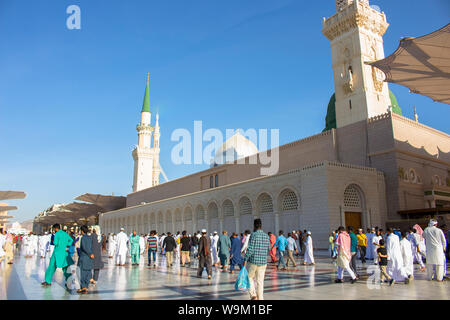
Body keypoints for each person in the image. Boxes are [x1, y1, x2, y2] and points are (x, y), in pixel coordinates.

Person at [244, 219, 271, 300]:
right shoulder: (266, 236)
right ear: (261, 226)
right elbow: (269, 248)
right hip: (263, 262)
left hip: (253, 261)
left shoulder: (253, 235)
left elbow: (250, 248)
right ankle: (261, 298)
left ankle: (253, 295)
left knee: (248, 277)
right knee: (260, 281)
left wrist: (245, 259)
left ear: (254, 226)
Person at [77, 225, 94, 294]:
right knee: (88, 272)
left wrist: (89, 253)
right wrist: (91, 253)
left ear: (82, 231)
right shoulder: (90, 237)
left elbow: (84, 247)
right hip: (89, 258)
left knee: (83, 273)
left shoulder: (83, 238)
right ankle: (86, 287)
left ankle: (83, 287)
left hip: (84, 257)